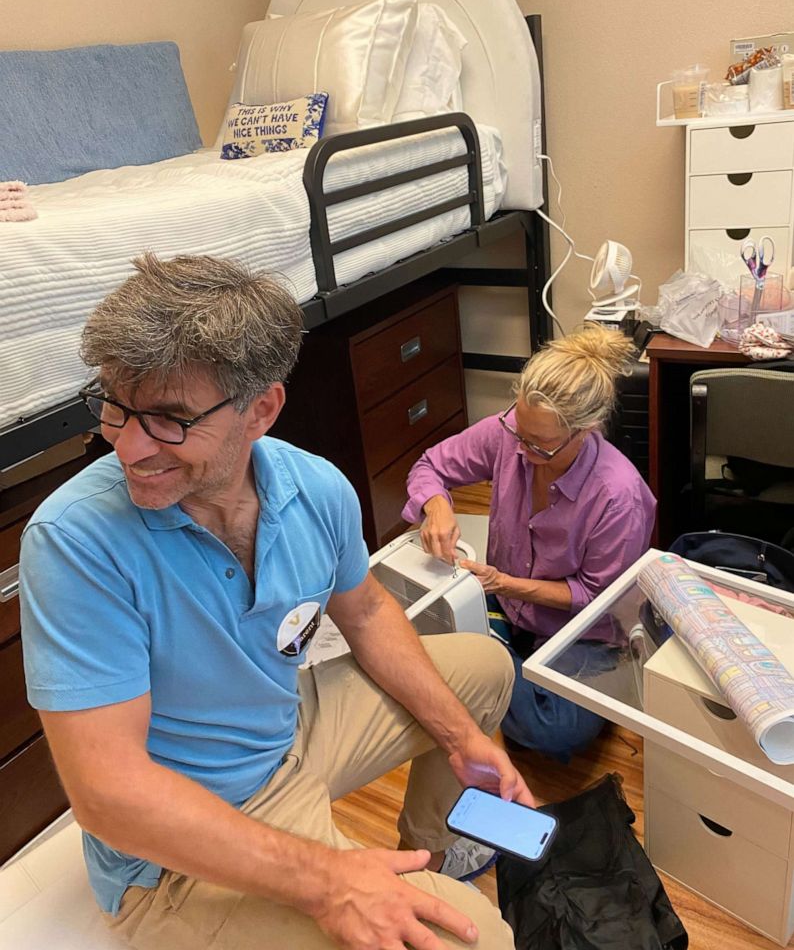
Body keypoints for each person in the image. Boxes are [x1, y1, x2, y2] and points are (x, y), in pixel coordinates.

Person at [19, 254, 531, 950]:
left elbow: (371, 612)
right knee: (484, 938)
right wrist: (331, 881)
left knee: (485, 665)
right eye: (114, 403)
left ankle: (429, 856)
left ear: (261, 409)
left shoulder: (314, 487)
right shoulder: (75, 541)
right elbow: (108, 794)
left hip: (283, 732)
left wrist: (461, 739)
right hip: (173, 855)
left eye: (168, 419)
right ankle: (383, 885)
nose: (129, 446)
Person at [403, 325, 656, 762]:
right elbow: (430, 466)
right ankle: (491, 664)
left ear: (587, 430)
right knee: (413, 627)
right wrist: (437, 506)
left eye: (540, 445)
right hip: (505, 602)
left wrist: (504, 584)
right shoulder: (509, 433)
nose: (522, 450)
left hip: (580, 630)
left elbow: (594, 598)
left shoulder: (619, 497)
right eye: (518, 431)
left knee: (556, 730)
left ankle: (485, 669)